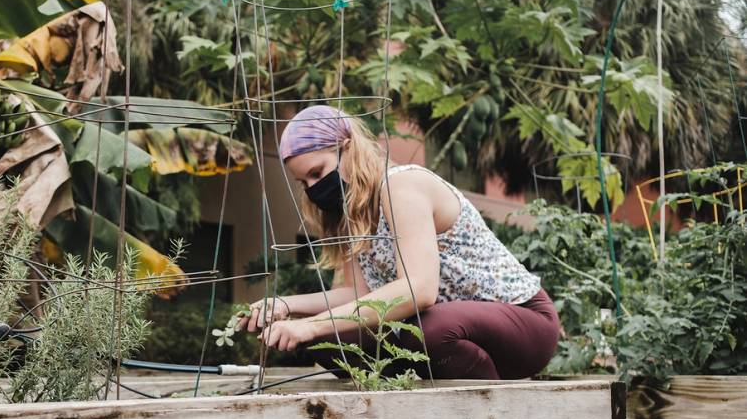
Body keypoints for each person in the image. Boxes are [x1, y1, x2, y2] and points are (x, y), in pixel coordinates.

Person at [236, 105, 559, 380]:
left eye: (318, 172)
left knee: (423, 330)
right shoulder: (349, 213)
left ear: (347, 147)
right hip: (451, 335)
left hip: (523, 323)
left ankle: (491, 409)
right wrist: (286, 307)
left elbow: (420, 290)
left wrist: (312, 325)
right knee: (329, 341)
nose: (313, 188)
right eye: (304, 182)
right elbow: (360, 295)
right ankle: (403, 399)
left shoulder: (402, 185)